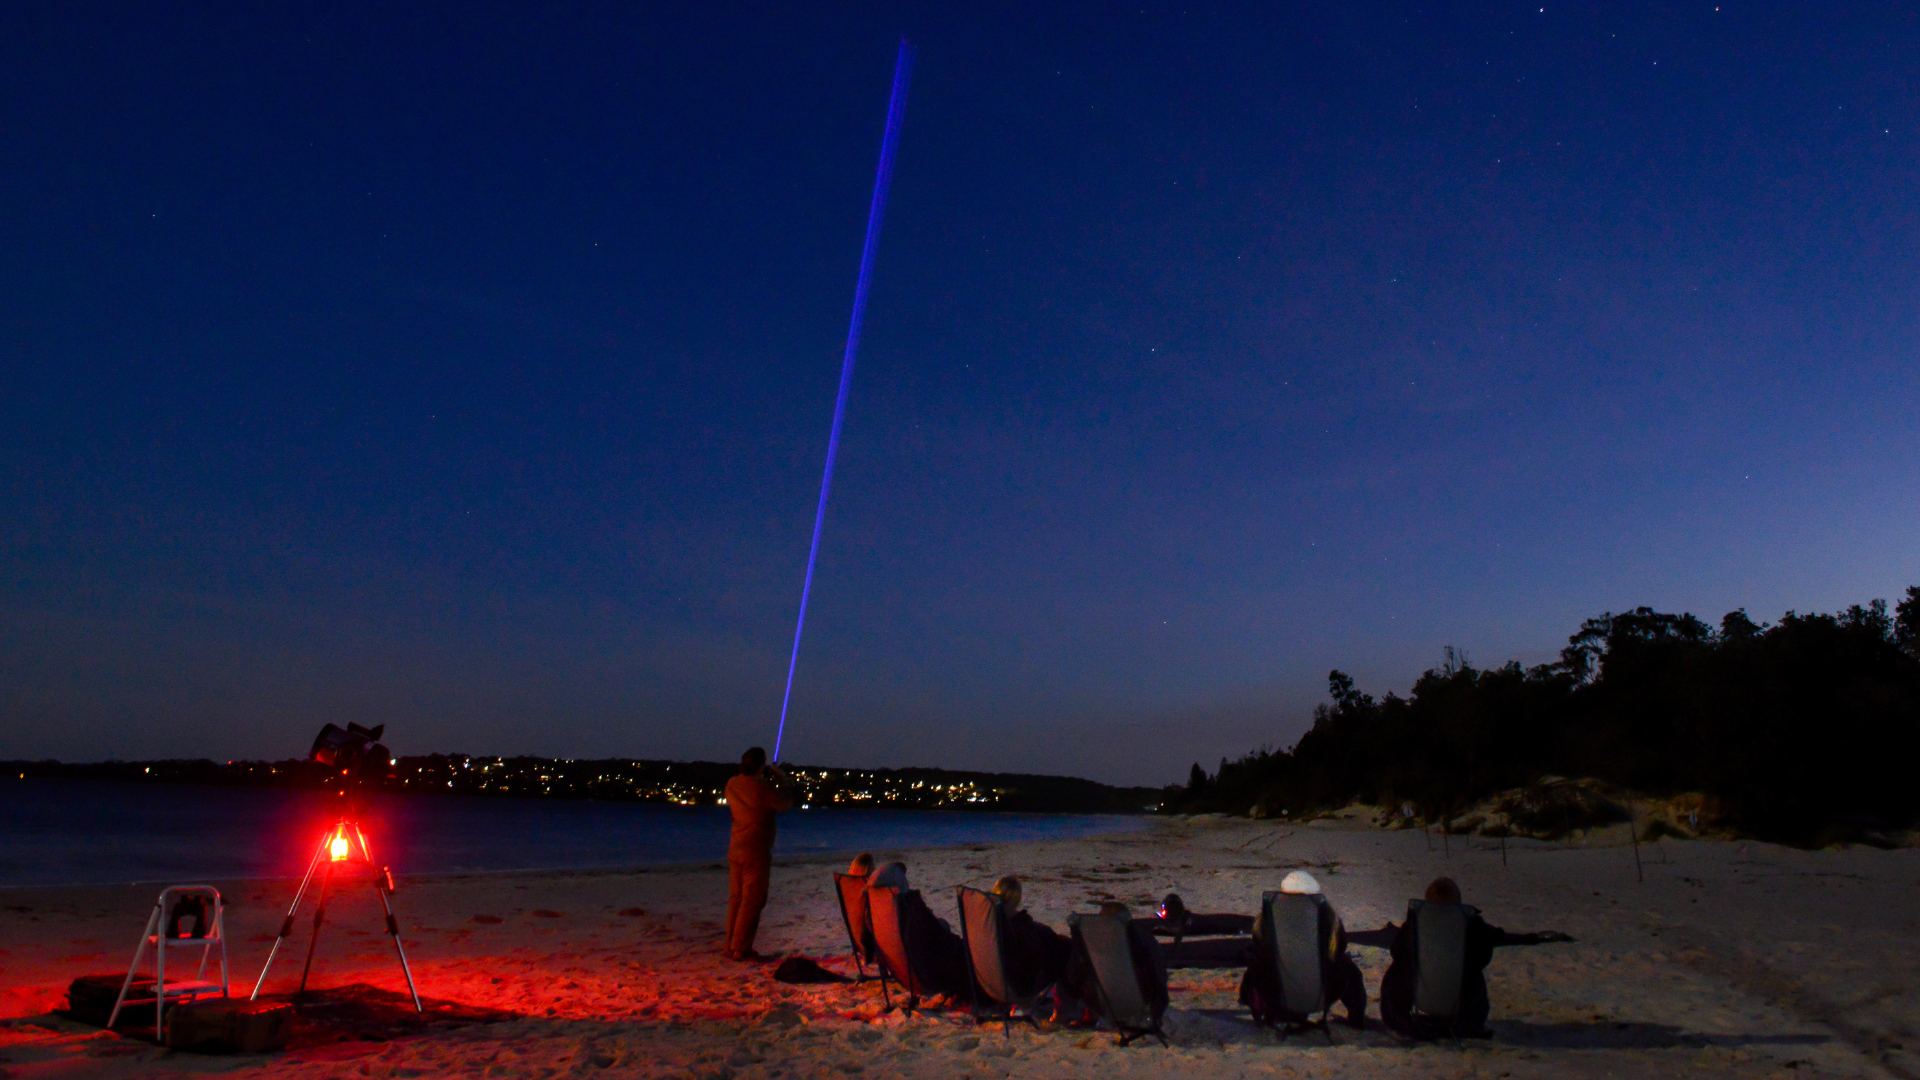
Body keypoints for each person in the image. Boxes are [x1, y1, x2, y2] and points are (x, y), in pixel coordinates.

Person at [1377, 876, 1574, 1038]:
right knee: (1472, 972)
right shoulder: (1471, 925)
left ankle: (1399, 1021)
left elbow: (1397, 951)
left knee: (1397, 970)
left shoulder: (1415, 926)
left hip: (1421, 997)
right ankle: (1469, 1024)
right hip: (1462, 999)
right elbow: (1484, 956)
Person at [1238, 870, 1368, 1028]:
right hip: (1320, 993)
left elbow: (1258, 944)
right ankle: (1356, 1017)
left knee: (1259, 962)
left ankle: (1269, 1013)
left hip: (1276, 992)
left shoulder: (1268, 917)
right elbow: (1339, 949)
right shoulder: (1328, 917)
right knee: (1349, 967)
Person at [723, 746, 793, 961]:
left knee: (736, 898)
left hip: (736, 847)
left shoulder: (732, 784)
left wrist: (765, 779)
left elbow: (755, 794)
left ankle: (730, 946)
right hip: (756, 849)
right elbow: (785, 802)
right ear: (761, 766)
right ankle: (741, 948)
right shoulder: (762, 788)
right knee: (752, 900)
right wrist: (781, 778)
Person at [865, 862, 971, 998]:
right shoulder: (910, 910)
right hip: (929, 977)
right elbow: (938, 936)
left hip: (903, 975)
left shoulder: (877, 912)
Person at [989, 876, 1073, 995]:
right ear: (1016, 899)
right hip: (1019, 985)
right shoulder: (1018, 926)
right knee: (1066, 951)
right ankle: (1070, 998)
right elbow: (1040, 956)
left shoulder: (987, 923)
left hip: (989, 981)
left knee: (1061, 945)